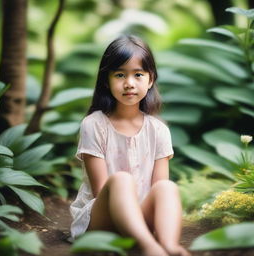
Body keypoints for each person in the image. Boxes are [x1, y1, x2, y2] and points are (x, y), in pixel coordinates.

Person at [70, 35, 190, 256]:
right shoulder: (94, 125)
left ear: (150, 79)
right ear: (106, 80)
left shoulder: (158, 129)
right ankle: (149, 247)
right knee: (121, 180)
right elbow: (101, 190)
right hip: (102, 220)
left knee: (168, 187)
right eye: (119, 75)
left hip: (141, 218)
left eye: (138, 74)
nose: (129, 83)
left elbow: (158, 189)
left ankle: (170, 246)